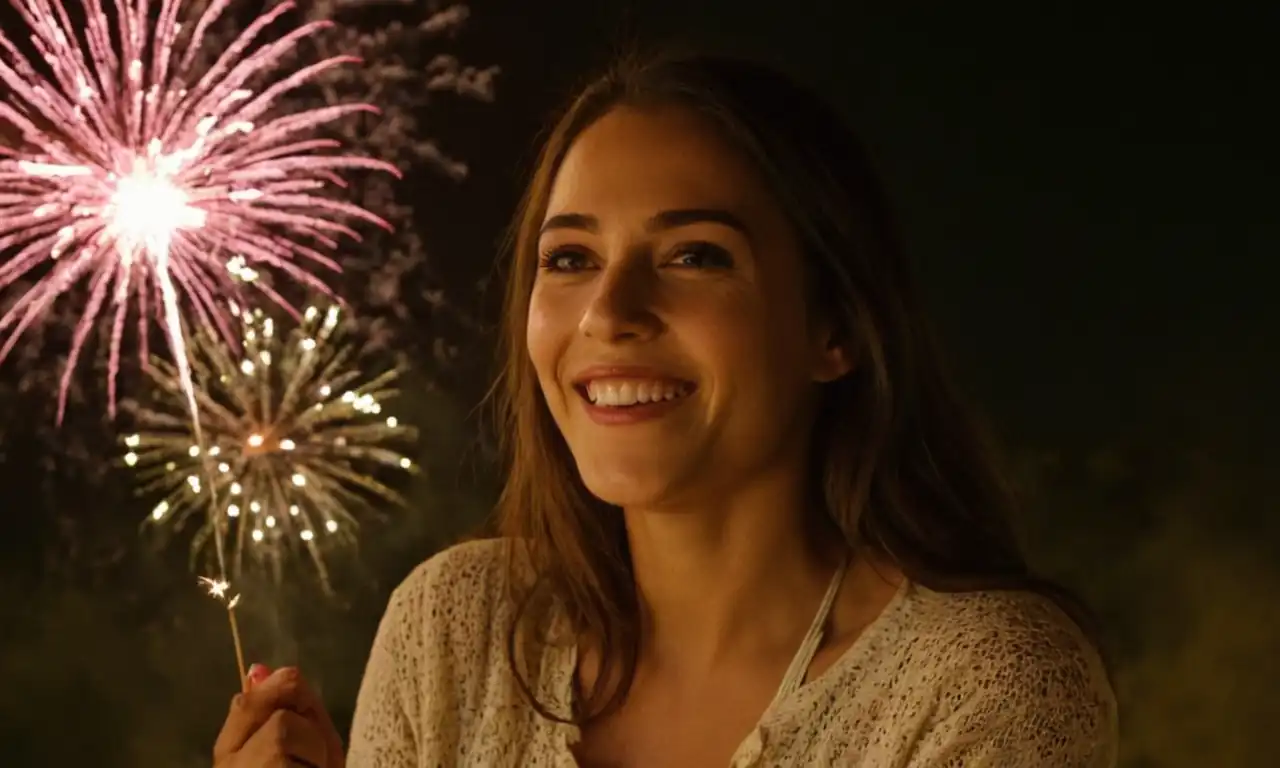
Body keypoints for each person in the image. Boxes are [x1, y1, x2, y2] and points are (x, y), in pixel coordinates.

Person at [213, 51, 1118, 767]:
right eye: (569, 259)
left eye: (695, 256)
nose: (609, 313)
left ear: (834, 328)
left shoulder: (988, 688)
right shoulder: (453, 629)